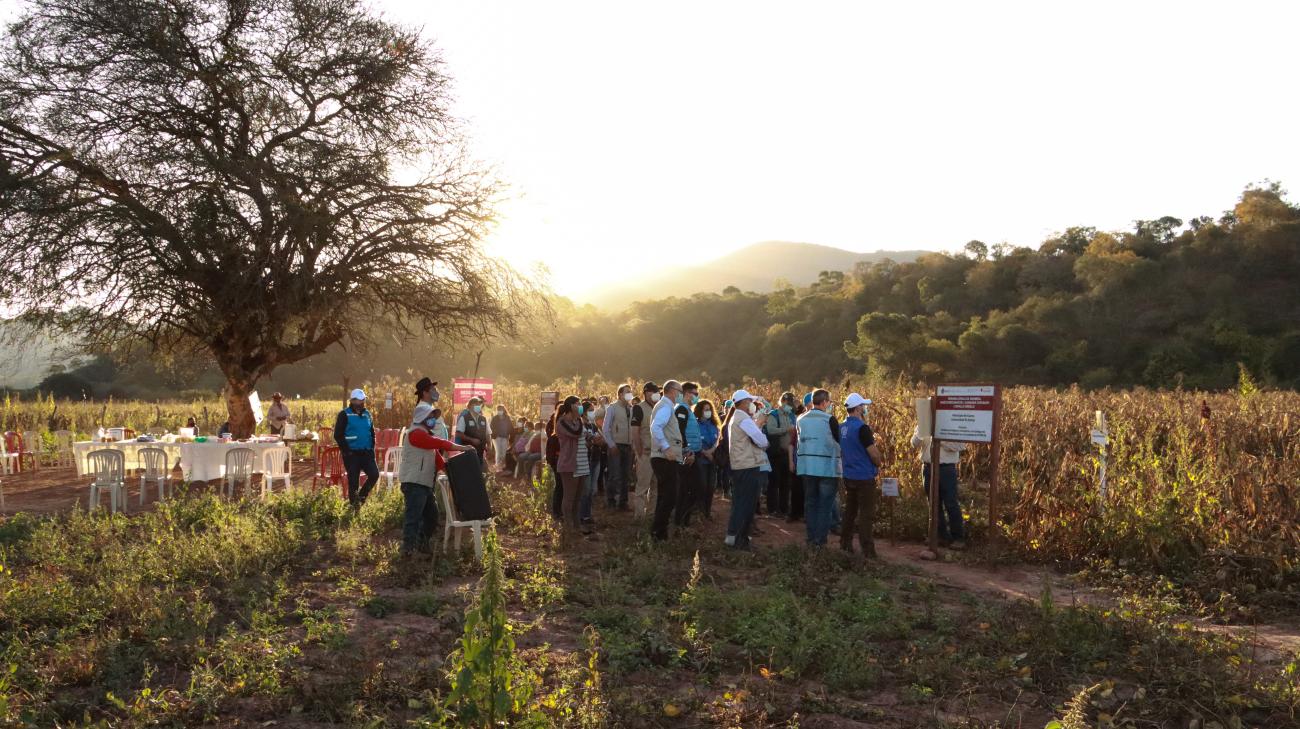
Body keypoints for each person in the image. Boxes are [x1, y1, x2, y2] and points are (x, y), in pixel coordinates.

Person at [399, 395, 474, 556]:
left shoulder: (426, 436)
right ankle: (407, 550)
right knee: (413, 516)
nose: (433, 419)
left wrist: (452, 472)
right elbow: (439, 444)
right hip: (414, 482)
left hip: (424, 483)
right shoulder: (416, 434)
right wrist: (461, 448)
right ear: (421, 418)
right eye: (430, 417)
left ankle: (421, 544)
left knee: (432, 517)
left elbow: (437, 459)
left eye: (433, 417)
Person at [795, 389, 843, 547]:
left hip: (807, 469)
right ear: (824, 402)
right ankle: (820, 541)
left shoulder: (800, 419)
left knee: (810, 504)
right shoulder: (830, 419)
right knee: (825, 506)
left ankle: (811, 539)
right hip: (827, 469)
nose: (829, 405)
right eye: (828, 402)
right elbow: (839, 442)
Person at [724, 389, 769, 550]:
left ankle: (733, 536)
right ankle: (741, 540)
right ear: (744, 403)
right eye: (750, 402)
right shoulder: (744, 419)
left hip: (739, 465)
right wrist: (760, 423)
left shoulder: (736, 418)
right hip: (748, 466)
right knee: (747, 505)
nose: (752, 405)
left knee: (739, 503)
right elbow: (762, 441)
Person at [912, 422, 968, 549]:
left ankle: (958, 538)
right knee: (933, 503)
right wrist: (922, 431)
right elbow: (914, 443)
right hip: (928, 467)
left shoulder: (953, 422)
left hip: (946, 468)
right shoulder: (924, 422)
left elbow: (958, 446)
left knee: (951, 503)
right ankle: (940, 536)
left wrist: (938, 437)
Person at [840, 393, 883, 558]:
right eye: (863, 406)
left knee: (849, 511)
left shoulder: (841, 426)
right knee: (866, 514)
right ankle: (868, 551)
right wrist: (878, 462)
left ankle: (845, 544)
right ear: (858, 408)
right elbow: (873, 453)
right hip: (864, 476)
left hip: (848, 475)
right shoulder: (862, 428)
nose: (865, 409)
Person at [647, 379, 687, 541]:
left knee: (665, 496)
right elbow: (655, 427)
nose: (681, 395)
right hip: (664, 457)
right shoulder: (665, 407)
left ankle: (659, 533)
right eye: (680, 391)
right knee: (670, 496)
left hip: (665, 456)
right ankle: (658, 531)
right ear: (671, 391)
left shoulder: (667, 407)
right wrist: (666, 448)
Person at [334, 388, 379, 508]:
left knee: (374, 474)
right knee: (353, 481)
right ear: (352, 400)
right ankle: (354, 507)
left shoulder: (367, 414)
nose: (362, 402)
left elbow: (371, 431)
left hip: (367, 453)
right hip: (352, 454)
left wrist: (372, 446)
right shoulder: (344, 414)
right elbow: (338, 435)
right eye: (359, 400)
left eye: (363, 400)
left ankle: (361, 497)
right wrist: (347, 452)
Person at [555, 398, 592, 539]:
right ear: (571, 406)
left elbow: (582, 437)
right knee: (569, 498)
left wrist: (591, 438)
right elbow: (575, 433)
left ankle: (576, 527)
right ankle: (568, 528)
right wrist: (581, 419)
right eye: (578, 404)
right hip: (569, 464)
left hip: (582, 463)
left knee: (577, 498)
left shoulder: (578, 421)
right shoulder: (563, 422)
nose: (580, 406)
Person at [673, 382, 704, 527]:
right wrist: (687, 451)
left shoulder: (687, 410)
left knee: (693, 490)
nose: (697, 397)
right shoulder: (681, 410)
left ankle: (684, 522)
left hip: (693, 454)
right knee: (685, 490)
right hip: (687, 456)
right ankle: (680, 524)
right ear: (686, 394)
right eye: (695, 394)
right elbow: (679, 432)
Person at [629, 381, 661, 519]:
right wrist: (639, 451)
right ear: (645, 393)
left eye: (656, 392)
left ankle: (651, 514)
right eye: (651, 392)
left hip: (658, 453)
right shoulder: (638, 408)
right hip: (646, 453)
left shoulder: (660, 408)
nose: (654, 395)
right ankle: (639, 516)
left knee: (656, 487)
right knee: (642, 487)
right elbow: (635, 431)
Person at [601, 383, 635, 510]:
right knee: (614, 475)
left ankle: (623, 502)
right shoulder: (612, 408)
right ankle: (611, 501)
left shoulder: (631, 409)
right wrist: (611, 444)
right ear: (620, 394)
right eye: (627, 392)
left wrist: (632, 444)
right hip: (616, 446)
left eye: (630, 392)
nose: (629, 394)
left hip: (628, 446)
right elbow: (605, 429)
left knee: (626, 475)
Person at [763, 392, 796, 518]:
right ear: (782, 402)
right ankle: (772, 509)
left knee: (785, 483)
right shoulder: (774, 415)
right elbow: (770, 430)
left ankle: (784, 508)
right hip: (776, 453)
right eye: (788, 403)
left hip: (788, 454)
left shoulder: (792, 415)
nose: (790, 406)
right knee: (774, 482)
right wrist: (786, 430)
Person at [578, 400, 607, 528]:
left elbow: (602, 440)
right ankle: (583, 516)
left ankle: (587, 514)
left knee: (592, 490)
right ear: (583, 412)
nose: (592, 412)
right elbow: (587, 442)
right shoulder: (580, 425)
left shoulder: (593, 426)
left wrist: (596, 441)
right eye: (590, 410)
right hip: (586, 460)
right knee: (586, 489)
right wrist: (594, 441)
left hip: (596, 458)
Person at [695, 398, 721, 520]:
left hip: (712, 460)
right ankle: (699, 511)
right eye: (706, 410)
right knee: (702, 486)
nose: (708, 411)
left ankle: (707, 511)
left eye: (709, 409)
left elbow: (717, 441)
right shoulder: (695, 425)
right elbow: (695, 441)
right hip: (701, 460)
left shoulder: (714, 425)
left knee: (711, 487)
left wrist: (712, 452)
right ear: (700, 411)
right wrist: (705, 452)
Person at [456, 396, 489, 468]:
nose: (479, 406)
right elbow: (458, 433)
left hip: (480, 450)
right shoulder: (464, 417)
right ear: (470, 406)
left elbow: (488, 434)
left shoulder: (483, 419)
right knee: (469, 469)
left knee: (480, 469)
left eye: (479, 405)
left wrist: (489, 445)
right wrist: (471, 440)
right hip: (468, 450)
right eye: (476, 404)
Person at [490, 404, 513, 471]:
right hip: (496, 437)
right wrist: (494, 434)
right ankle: (498, 468)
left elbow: (510, 427)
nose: (499, 411)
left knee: (504, 453)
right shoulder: (494, 418)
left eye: (500, 409)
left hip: (505, 437)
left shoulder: (507, 418)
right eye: (498, 410)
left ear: (503, 410)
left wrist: (510, 437)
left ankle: (502, 465)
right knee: (498, 452)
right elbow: (491, 427)